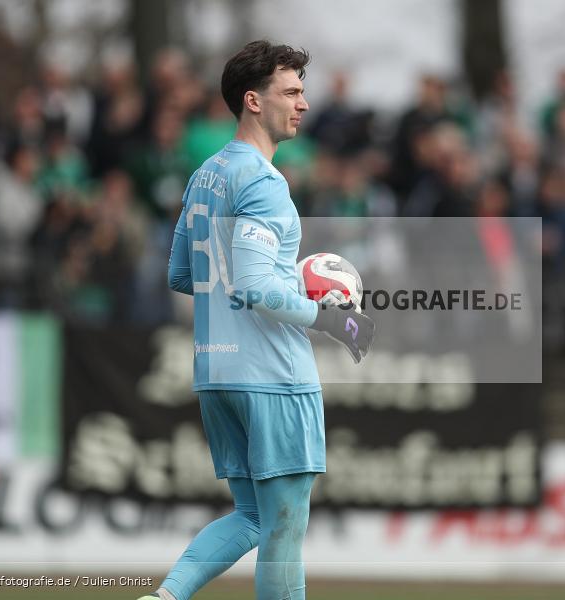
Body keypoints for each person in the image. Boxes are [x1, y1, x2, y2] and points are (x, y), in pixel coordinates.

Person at [139, 40, 374, 600]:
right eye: (291, 92)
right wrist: (331, 317)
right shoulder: (266, 184)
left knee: (250, 516)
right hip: (272, 375)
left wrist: (275, 275)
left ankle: (164, 597)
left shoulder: (204, 176)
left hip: (217, 374)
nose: (304, 104)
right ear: (253, 100)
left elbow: (180, 274)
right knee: (285, 530)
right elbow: (253, 285)